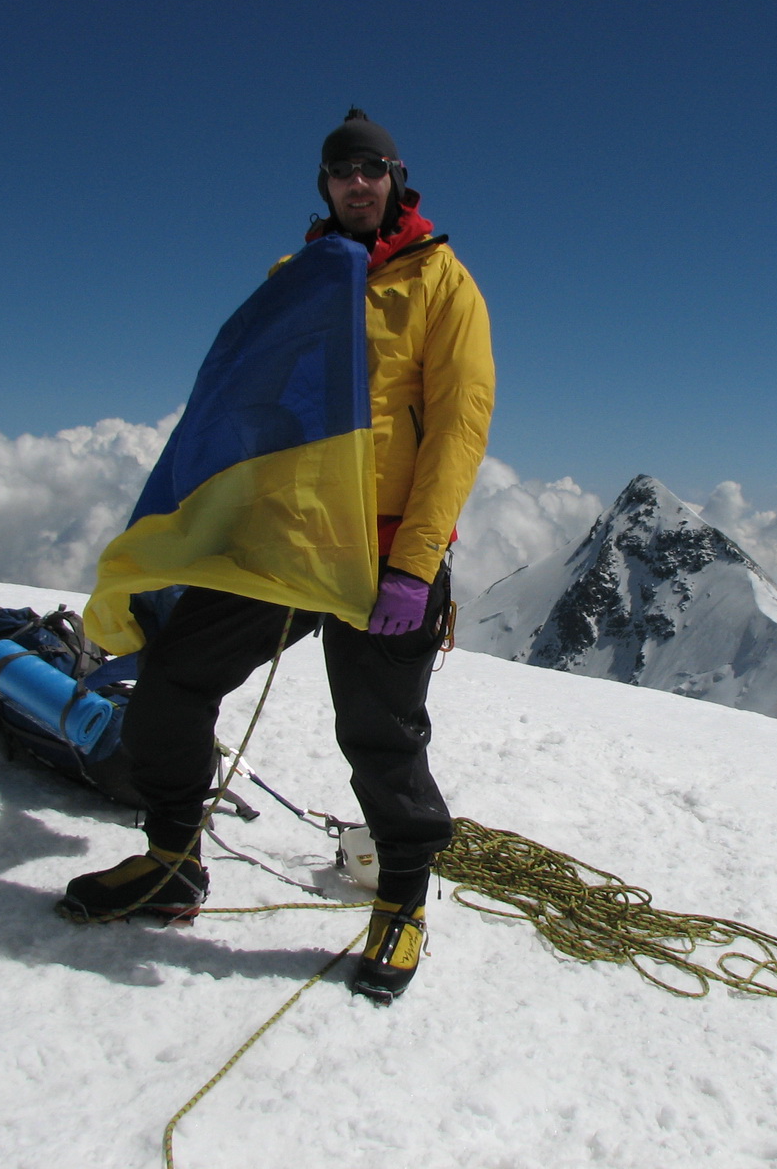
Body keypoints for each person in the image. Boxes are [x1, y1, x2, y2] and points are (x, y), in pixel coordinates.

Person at [60, 109, 496, 1004]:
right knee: (175, 684)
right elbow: (249, 412)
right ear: (326, 185)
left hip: (382, 559)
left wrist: (415, 565)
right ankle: (173, 859)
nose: (358, 183)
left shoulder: (443, 283)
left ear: (397, 178)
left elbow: (458, 430)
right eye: (342, 171)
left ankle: (401, 908)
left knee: (380, 737)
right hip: (288, 549)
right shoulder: (296, 282)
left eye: (372, 169)